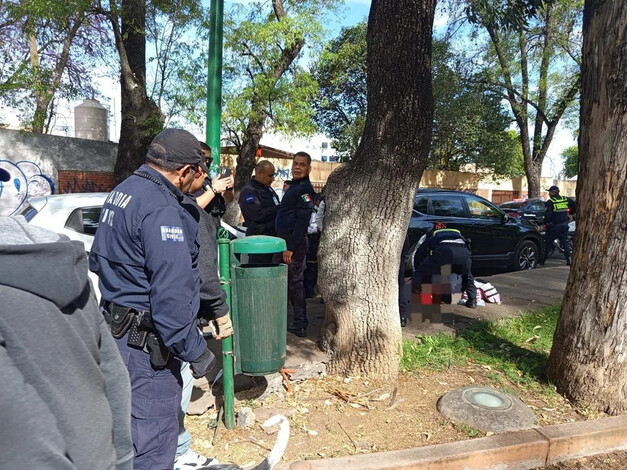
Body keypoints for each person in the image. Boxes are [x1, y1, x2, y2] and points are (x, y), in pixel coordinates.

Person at [89, 128, 220, 470]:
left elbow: (97, 261)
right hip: (148, 352)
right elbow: (172, 300)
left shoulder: (122, 192)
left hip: (115, 341)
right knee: (153, 449)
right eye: (198, 170)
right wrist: (198, 353)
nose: (199, 177)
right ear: (184, 171)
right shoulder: (163, 209)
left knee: (123, 441)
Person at [0, 215, 133, 470]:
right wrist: (123, 459)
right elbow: (114, 375)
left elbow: (21, 445)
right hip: (100, 456)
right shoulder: (62, 257)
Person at [174, 148, 234, 469]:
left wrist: (223, 190)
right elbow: (203, 271)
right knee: (180, 377)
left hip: (187, 302)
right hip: (184, 302)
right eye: (201, 163)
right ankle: (177, 452)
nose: (205, 168)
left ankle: (175, 448)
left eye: (208, 163)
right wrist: (220, 310)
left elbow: (219, 213)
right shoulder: (181, 198)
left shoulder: (201, 187)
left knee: (180, 374)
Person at [273, 152, 315, 337]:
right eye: (295, 164)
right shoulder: (294, 186)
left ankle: (300, 321)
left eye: (302, 165)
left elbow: (302, 220)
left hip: (293, 244)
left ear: (309, 168)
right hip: (284, 241)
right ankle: (289, 318)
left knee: (295, 284)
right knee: (286, 282)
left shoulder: (304, 190)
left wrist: (290, 247)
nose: (297, 167)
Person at [412, 221, 477, 309]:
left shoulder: (434, 236)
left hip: (443, 254)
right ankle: (472, 301)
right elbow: (468, 250)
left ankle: (418, 299)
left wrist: (418, 268)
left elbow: (420, 252)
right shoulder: (460, 236)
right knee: (468, 276)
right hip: (463, 256)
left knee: (420, 274)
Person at [238, 160, 281, 263]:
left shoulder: (268, 189)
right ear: (259, 173)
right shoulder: (249, 191)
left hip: (272, 238)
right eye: (270, 176)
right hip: (259, 240)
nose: (272, 179)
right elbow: (256, 215)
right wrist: (278, 209)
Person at [541, 185, 576, 266]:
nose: (549, 193)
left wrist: (545, 223)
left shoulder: (550, 202)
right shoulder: (565, 199)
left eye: (549, 192)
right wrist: (571, 213)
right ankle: (568, 261)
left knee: (548, 243)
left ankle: (543, 261)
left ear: (554, 192)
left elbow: (547, 215)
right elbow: (575, 204)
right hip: (564, 225)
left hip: (554, 226)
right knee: (565, 242)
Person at [304, 193, 323, 298]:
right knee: (310, 266)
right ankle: (308, 290)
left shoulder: (320, 212)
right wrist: (317, 229)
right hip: (312, 240)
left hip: (318, 239)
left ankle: (312, 289)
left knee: (316, 267)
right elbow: (307, 228)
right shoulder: (311, 213)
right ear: (316, 201)